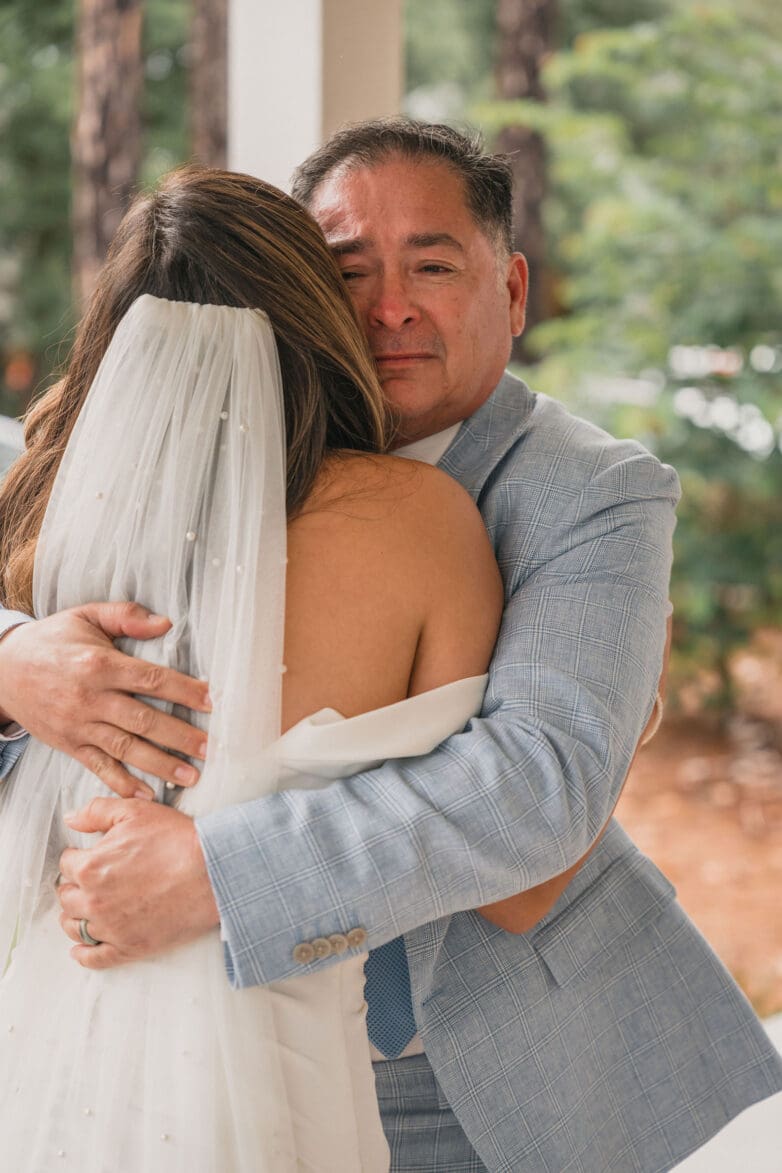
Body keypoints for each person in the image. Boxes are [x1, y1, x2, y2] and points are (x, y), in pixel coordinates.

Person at [1, 121, 780, 1171]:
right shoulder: (169, 463)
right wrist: (17, 660)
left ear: (509, 292)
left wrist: (221, 877)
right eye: (347, 267)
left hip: (492, 1070)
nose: (388, 306)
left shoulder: (591, 491)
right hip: (160, 1039)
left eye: (430, 264)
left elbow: (539, 788)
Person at [0, 163, 504, 1171]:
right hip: (275, 1054)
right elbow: (479, 815)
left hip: (43, 1010)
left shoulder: (45, 515)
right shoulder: (421, 524)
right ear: (318, 320)